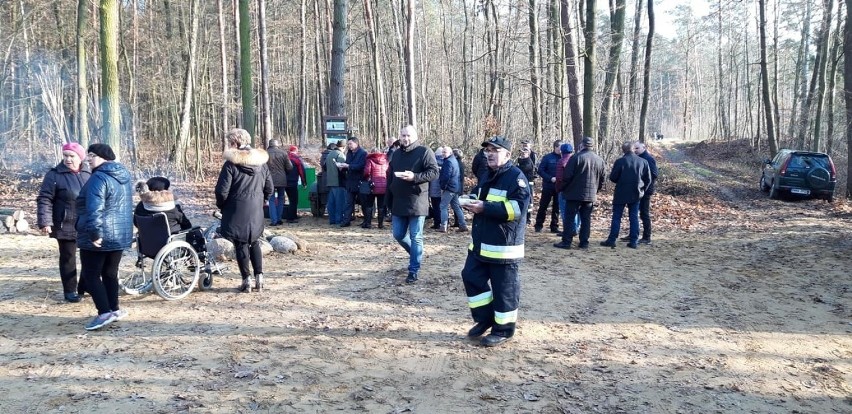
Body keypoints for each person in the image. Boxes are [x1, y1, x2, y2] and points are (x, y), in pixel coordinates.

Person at [460, 136, 530, 347]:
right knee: (470, 276)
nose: (489, 153)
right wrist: (471, 200)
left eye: (495, 150)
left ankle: (504, 330)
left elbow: (517, 209)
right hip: (480, 244)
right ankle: (485, 319)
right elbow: (480, 194)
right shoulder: (486, 173)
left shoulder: (516, 178)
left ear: (507, 155)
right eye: (488, 150)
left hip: (504, 248)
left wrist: (485, 208)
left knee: (504, 290)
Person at [75, 143, 133, 330]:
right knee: (109, 273)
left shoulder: (98, 178)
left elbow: (95, 208)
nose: (88, 159)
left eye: (92, 155)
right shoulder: (123, 176)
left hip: (100, 235)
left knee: (91, 275)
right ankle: (114, 309)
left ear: (103, 157)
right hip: (118, 235)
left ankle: (104, 312)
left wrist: (94, 233)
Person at [215, 128, 274, 292]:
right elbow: (269, 187)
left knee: (240, 243)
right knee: (255, 241)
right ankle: (259, 278)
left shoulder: (231, 164)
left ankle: (246, 280)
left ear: (235, 142)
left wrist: (222, 205)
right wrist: (263, 201)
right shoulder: (261, 164)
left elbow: (221, 191)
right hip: (256, 208)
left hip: (235, 208)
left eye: (230, 142)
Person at [37, 142, 91, 303]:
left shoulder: (89, 172)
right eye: (65, 156)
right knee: (68, 258)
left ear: (80, 158)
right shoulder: (54, 175)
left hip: (87, 223)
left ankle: (84, 287)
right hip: (65, 223)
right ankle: (70, 290)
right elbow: (44, 199)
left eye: (71, 156)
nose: (68, 159)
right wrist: (45, 221)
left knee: (90, 257)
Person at [386, 125, 439, 283]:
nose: (405, 138)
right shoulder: (396, 154)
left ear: (415, 136)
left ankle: (413, 270)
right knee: (398, 234)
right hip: (398, 201)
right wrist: (387, 200)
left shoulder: (424, 152)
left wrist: (414, 177)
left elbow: (434, 172)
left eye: (408, 135)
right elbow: (390, 177)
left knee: (416, 237)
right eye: (403, 135)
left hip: (417, 200)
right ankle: (417, 254)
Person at [554, 137, 606, 249]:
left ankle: (566, 242)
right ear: (592, 146)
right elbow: (602, 178)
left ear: (582, 145)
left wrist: (562, 188)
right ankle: (584, 242)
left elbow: (567, 176)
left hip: (573, 194)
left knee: (570, 218)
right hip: (589, 195)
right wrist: (596, 190)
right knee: (586, 219)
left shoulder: (576, 158)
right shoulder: (599, 160)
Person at [134, 177, 207, 257]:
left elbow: (136, 223)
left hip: (147, 246)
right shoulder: (172, 208)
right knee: (196, 231)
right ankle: (197, 259)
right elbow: (187, 225)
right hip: (170, 246)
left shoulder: (140, 206)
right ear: (164, 191)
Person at [601, 141, 652, 249]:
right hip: (636, 193)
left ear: (623, 150)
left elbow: (613, 177)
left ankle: (612, 239)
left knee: (617, 217)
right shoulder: (643, 161)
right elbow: (648, 179)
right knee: (634, 217)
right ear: (633, 149)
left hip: (621, 192)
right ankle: (634, 241)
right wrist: (642, 190)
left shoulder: (620, 161)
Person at [533, 140, 562, 233]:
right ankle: (538, 225)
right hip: (548, 186)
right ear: (555, 147)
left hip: (559, 187)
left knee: (557, 207)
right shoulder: (547, 158)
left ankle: (554, 226)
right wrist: (550, 178)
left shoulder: (564, 158)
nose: (561, 149)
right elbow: (540, 171)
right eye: (560, 147)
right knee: (543, 206)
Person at [338, 137, 367, 227]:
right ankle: (346, 221)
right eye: (348, 144)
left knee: (363, 202)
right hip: (350, 181)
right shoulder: (349, 153)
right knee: (348, 202)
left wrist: (349, 166)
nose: (349, 146)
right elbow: (348, 163)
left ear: (356, 143)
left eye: (350, 144)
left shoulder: (363, 153)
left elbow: (361, 166)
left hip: (360, 181)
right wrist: (342, 167)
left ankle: (366, 221)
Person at [438, 146, 468, 232]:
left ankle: (443, 226)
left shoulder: (448, 162)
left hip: (449, 188)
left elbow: (446, 176)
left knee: (443, 206)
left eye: (445, 152)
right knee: (456, 206)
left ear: (450, 153)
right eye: (442, 152)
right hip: (455, 188)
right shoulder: (453, 160)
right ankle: (463, 225)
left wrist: (443, 186)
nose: (443, 154)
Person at [633, 142, 658, 244]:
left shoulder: (648, 158)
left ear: (644, 148)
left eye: (637, 148)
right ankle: (633, 234)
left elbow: (654, 174)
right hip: (638, 190)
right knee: (634, 213)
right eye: (634, 148)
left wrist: (644, 184)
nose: (635, 150)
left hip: (645, 191)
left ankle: (647, 237)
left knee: (644, 213)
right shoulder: (637, 158)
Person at [265, 139, 293, 226]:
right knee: (281, 198)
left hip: (269, 180)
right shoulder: (283, 153)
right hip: (282, 179)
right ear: (277, 145)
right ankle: (279, 219)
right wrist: (284, 172)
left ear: (269, 145)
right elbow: (290, 167)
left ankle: (274, 220)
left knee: (271, 199)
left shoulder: (265, 153)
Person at [554, 143, 579, 236]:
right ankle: (575, 228)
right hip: (575, 190)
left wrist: (558, 189)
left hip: (564, 190)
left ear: (562, 151)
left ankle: (567, 230)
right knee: (575, 211)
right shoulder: (576, 160)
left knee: (565, 211)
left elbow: (559, 178)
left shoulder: (561, 161)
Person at [362, 147, 388, 228]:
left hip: (372, 185)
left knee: (369, 204)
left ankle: (368, 223)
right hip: (383, 185)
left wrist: (366, 177)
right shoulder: (386, 161)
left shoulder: (370, 160)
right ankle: (380, 224)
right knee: (381, 205)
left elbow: (366, 172)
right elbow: (388, 171)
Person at [324, 140, 347, 225]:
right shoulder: (340, 155)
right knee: (340, 203)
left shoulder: (330, 154)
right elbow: (343, 169)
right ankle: (339, 220)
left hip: (330, 182)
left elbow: (324, 167)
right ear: (344, 147)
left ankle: (332, 220)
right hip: (339, 182)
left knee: (331, 203)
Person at [285, 145, 308, 223]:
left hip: (284, 182)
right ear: (296, 151)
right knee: (294, 200)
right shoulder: (297, 159)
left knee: (290, 199)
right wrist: (304, 182)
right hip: (293, 182)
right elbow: (301, 171)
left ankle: (293, 215)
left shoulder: (285, 158)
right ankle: (291, 218)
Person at [451, 148, 467, 228]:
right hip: (459, 186)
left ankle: (460, 222)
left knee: (456, 205)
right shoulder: (460, 163)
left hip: (457, 187)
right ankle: (458, 222)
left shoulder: (457, 163)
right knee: (456, 205)